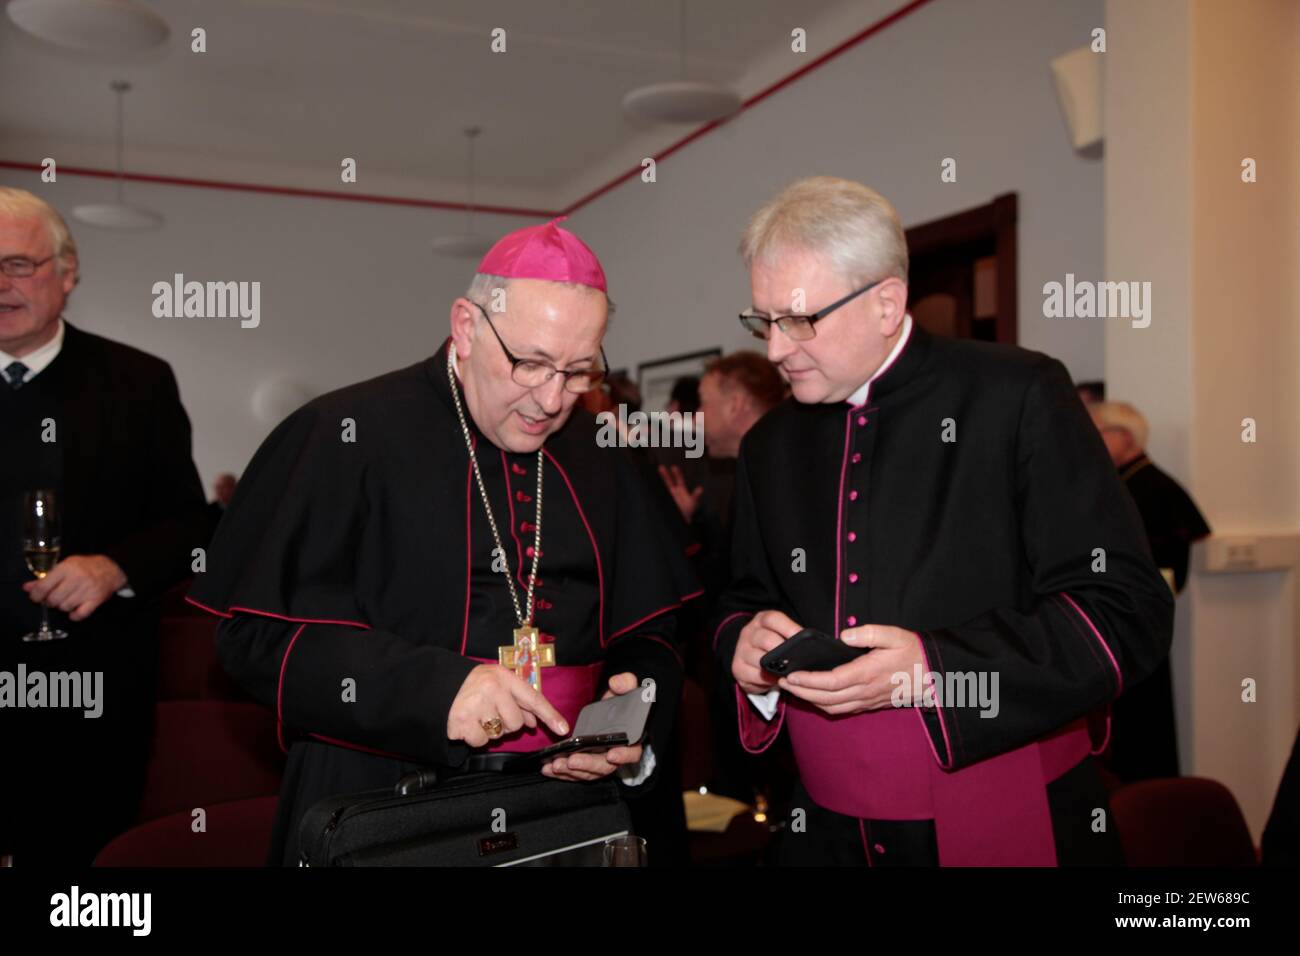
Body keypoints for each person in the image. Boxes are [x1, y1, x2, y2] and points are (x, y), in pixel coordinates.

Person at [188, 218, 699, 865]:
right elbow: (253, 637)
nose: (550, 399)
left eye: (576, 372)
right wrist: (435, 690)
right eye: (530, 363)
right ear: (466, 325)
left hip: (563, 810)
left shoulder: (605, 456)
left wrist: (635, 710)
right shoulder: (342, 434)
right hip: (385, 804)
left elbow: (652, 629)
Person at [713, 176, 1174, 866]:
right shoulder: (769, 444)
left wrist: (937, 670)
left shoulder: (1017, 394)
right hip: (826, 823)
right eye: (763, 321)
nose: (776, 349)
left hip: (1002, 799)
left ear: (885, 303)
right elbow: (740, 598)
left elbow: (1126, 609)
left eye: (800, 319)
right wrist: (742, 646)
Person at [0, 186, 212, 866]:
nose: (0, 285)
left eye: (18, 265)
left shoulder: (138, 383)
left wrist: (116, 567)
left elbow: (191, 525)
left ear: (68, 273)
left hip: (88, 692)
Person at [1088, 400, 1211, 781]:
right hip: (1126, 621)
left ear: (1124, 437)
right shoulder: (1127, 482)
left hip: (1136, 622)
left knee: (1144, 730)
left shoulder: (1150, 487)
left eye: (1098, 433)